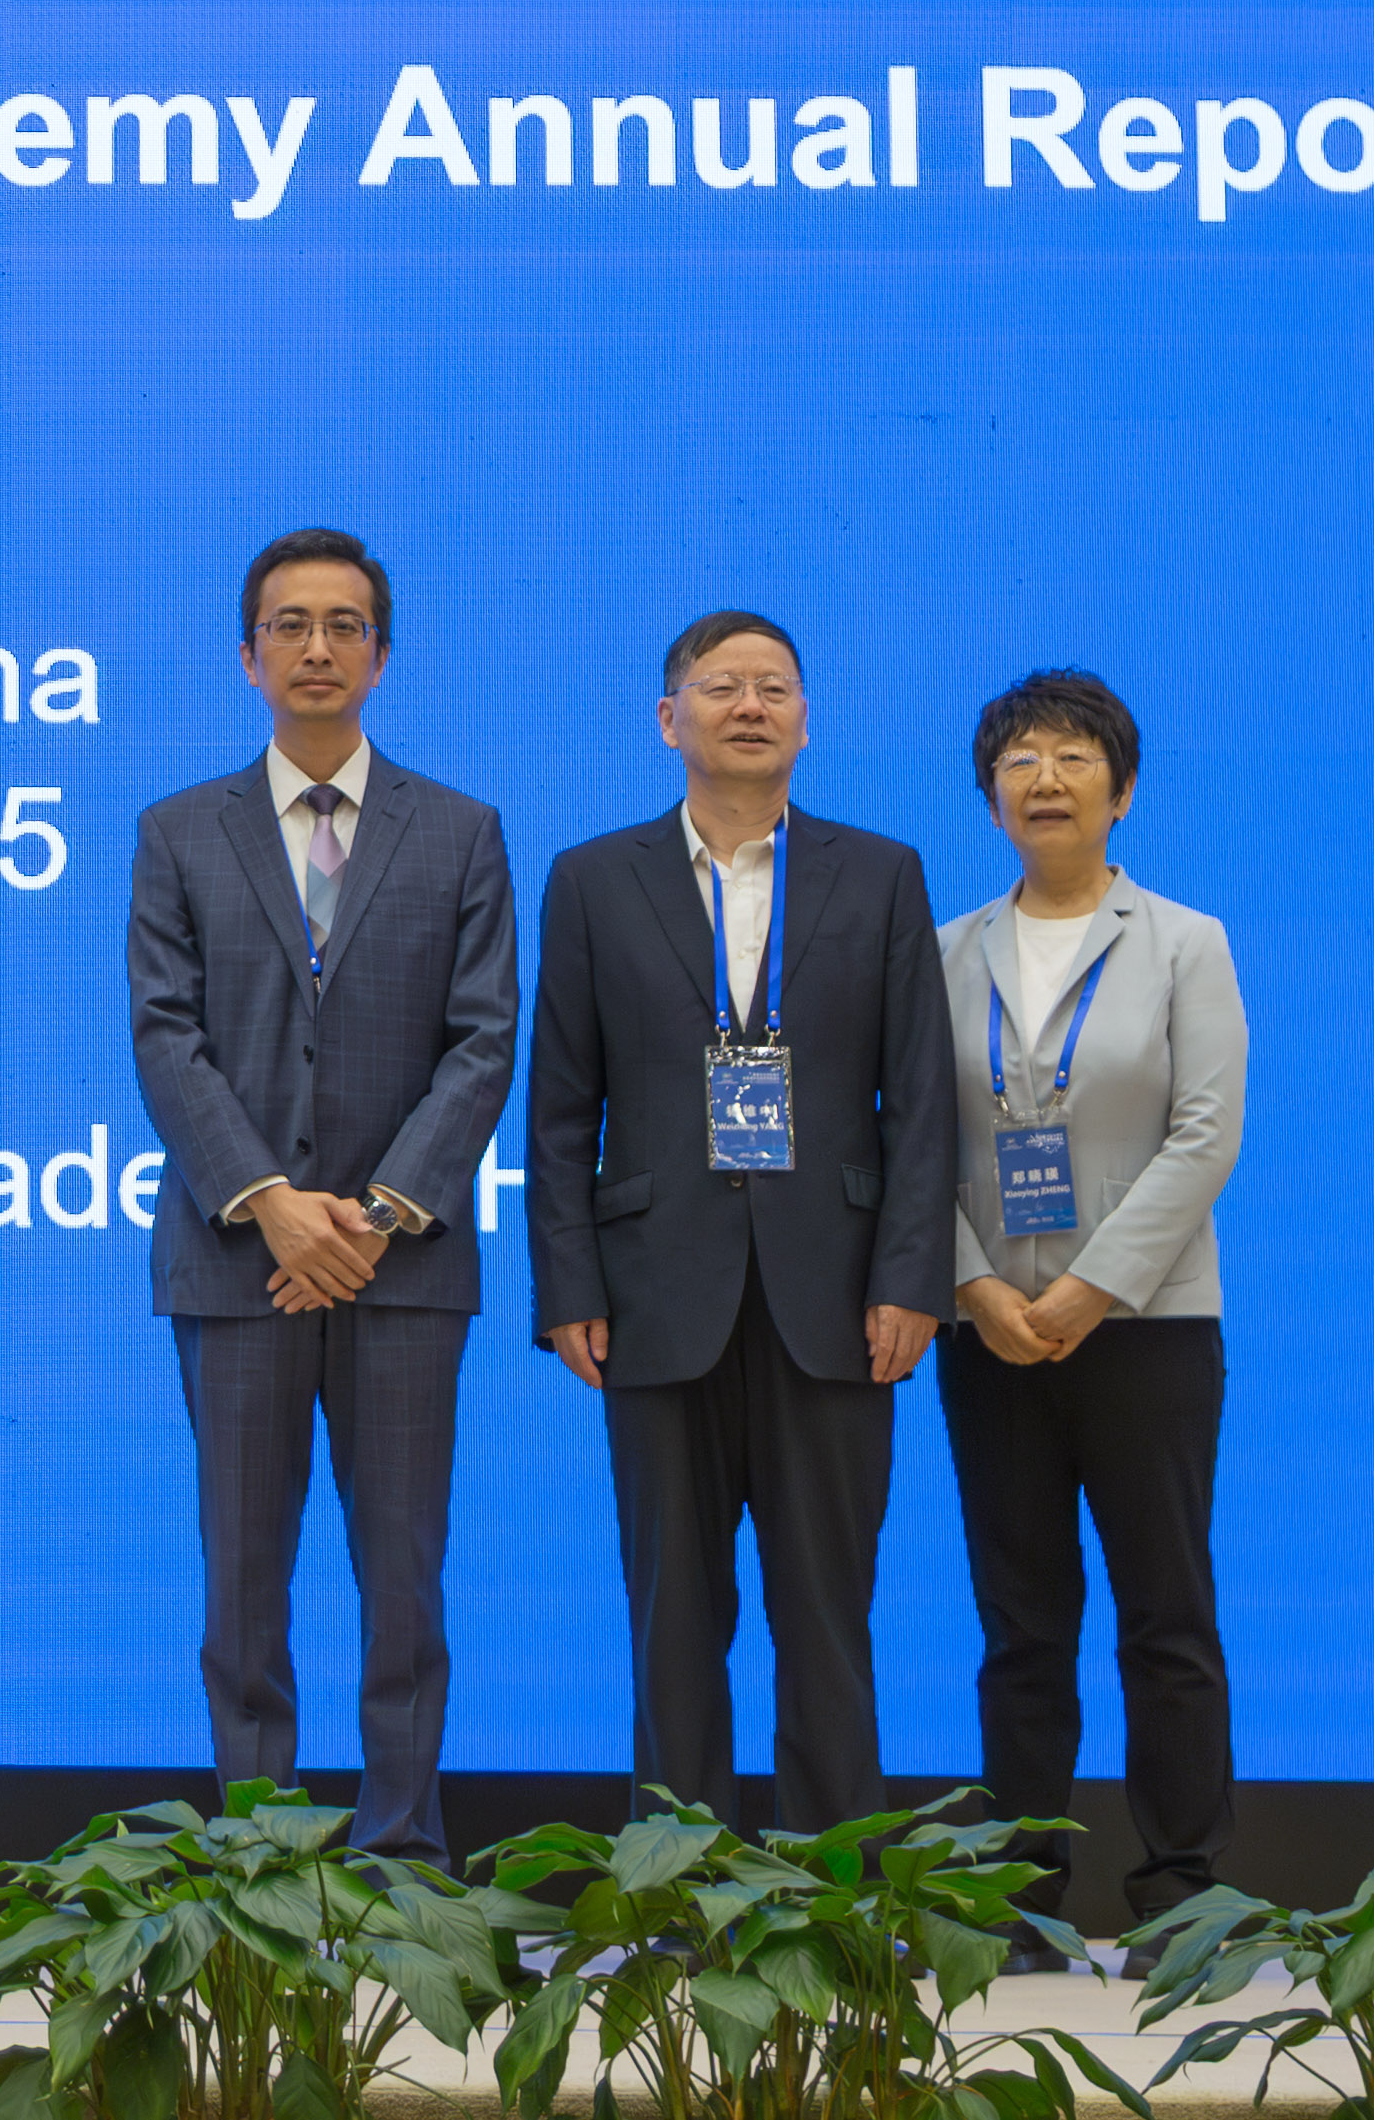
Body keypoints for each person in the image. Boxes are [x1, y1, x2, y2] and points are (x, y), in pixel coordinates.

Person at [126, 528, 518, 1863]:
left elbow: (482, 1041)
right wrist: (272, 1202)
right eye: (287, 624)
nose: (315, 647)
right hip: (235, 1263)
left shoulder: (460, 830)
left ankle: (402, 1852)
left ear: (380, 655)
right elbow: (165, 1036)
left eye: (342, 624)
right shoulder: (178, 831)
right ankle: (261, 1857)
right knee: (242, 1583)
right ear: (247, 657)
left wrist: (377, 1215)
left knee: (402, 1583)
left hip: (404, 1270)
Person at [526, 609, 953, 1831]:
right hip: (654, 1296)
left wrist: (911, 1275)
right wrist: (569, 1288)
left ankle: (832, 1882)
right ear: (670, 720)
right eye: (721, 687)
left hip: (838, 1295)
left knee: (827, 1613)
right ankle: (682, 1881)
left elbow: (921, 1099)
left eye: (773, 686)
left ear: (805, 720)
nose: (750, 705)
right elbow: (558, 1107)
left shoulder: (880, 873)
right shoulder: (592, 879)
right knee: (672, 1615)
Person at [938, 669, 1244, 1951]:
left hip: (1148, 1327)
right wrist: (972, 1284)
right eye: (1019, 759)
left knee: (1164, 1615)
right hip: (988, 1333)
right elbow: (906, 1143)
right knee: (1020, 1626)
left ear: (1121, 790)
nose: (1045, 778)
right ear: (989, 797)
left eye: (1073, 756)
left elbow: (1205, 1132)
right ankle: (1019, 1898)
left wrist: (1087, 1287)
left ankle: (1179, 1891)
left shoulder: (1183, 940)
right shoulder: (941, 950)